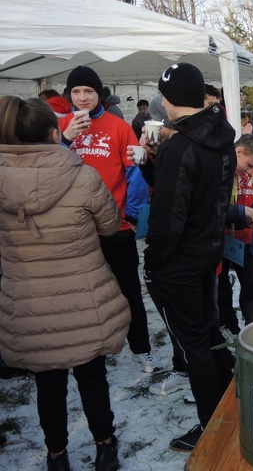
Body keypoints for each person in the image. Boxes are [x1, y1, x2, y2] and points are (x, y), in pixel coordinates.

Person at [0, 96, 130, 471]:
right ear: (55, 132)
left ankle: (56, 455)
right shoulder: (83, 176)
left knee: (49, 385)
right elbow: (109, 226)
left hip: (28, 302)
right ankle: (105, 446)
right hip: (83, 297)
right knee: (92, 378)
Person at [140, 62, 237, 451]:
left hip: (180, 261)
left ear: (166, 99)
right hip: (206, 252)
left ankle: (212, 426)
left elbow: (169, 217)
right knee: (209, 332)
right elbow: (195, 194)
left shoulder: (181, 145)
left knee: (194, 345)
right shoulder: (219, 135)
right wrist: (154, 162)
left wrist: (154, 262)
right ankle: (230, 401)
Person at [58, 66, 160, 374]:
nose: (83, 97)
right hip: (73, 229)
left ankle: (140, 348)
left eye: (88, 91)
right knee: (81, 293)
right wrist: (64, 139)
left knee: (128, 289)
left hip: (115, 224)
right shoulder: (59, 125)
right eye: (76, 92)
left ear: (99, 93)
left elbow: (134, 172)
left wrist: (129, 214)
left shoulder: (117, 125)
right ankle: (90, 349)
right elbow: (42, 169)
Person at [217, 127, 253, 334]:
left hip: (245, 236)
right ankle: (227, 326)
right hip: (220, 235)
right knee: (221, 284)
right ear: (239, 151)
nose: (251, 172)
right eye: (250, 166)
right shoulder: (219, 164)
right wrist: (243, 212)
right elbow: (212, 207)